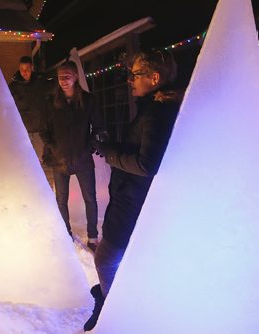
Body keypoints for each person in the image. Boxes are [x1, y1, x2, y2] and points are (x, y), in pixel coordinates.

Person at [84, 49, 181, 331]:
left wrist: (109, 150)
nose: (130, 80)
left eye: (136, 74)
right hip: (132, 197)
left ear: (154, 77)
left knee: (105, 258)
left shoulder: (158, 111)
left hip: (133, 200)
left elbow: (147, 163)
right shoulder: (154, 107)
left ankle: (113, 311)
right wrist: (110, 146)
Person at [40, 61, 104, 249]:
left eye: (67, 76)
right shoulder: (51, 102)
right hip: (58, 159)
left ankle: (93, 237)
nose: (63, 80)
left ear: (76, 76)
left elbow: (99, 126)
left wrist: (90, 146)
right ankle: (65, 233)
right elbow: (44, 129)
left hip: (82, 158)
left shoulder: (88, 100)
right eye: (60, 77)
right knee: (61, 199)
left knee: (90, 198)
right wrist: (52, 146)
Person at [8, 56, 52, 162]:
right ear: (19, 68)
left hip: (39, 130)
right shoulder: (13, 87)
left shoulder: (41, 83)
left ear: (32, 68)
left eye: (27, 69)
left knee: (38, 160)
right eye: (22, 69)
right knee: (23, 161)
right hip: (22, 131)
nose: (24, 72)